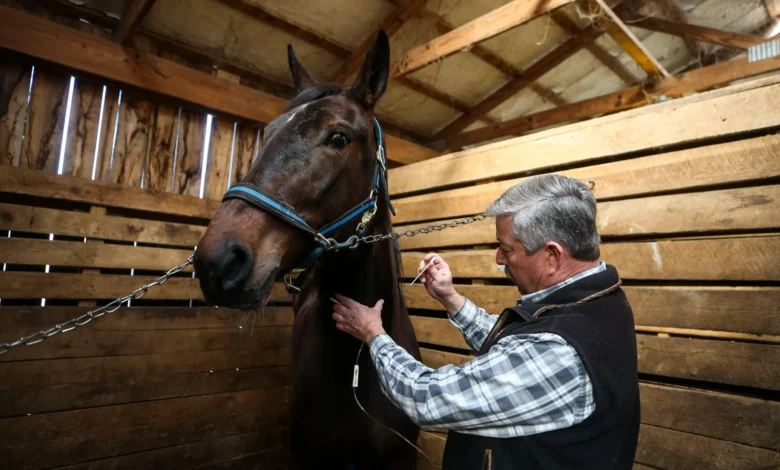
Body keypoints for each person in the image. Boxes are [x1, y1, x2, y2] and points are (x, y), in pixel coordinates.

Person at [332, 174, 640, 470]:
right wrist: (450, 298)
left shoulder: (558, 351)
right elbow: (513, 347)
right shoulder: (597, 298)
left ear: (552, 256)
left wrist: (373, 333)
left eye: (507, 249)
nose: (499, 259)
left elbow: (423, 397)